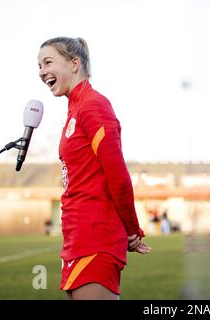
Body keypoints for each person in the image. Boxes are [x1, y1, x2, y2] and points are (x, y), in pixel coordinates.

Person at [37, 37, 151, 300]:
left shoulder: (93, 105)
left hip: (95, 238)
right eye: (39, 65)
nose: (41, 71)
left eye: (48, 62)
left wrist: (132, 229)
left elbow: (118, 175)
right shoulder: (75, 108)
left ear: (74, 63)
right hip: (76, 239)